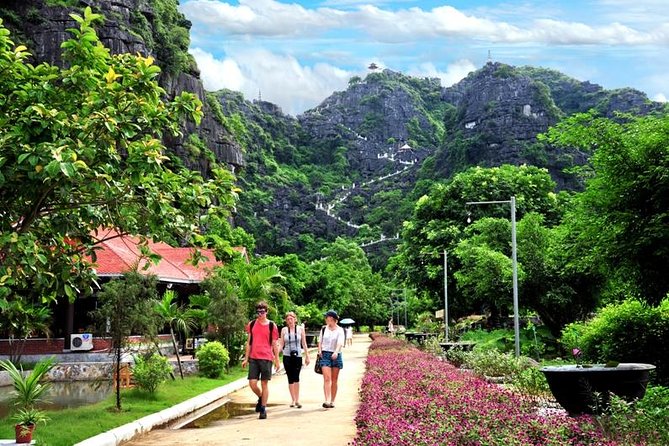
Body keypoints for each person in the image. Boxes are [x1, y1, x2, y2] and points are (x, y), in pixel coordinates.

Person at [241, 301, 280, 419]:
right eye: (258, 312)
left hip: (267, 357)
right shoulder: (252, 324)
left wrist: (277, 360)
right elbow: (249, 343)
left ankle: (263, 408)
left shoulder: (272, 326)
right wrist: (246, 358)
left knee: (264, 383)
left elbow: (274, 344)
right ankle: (261, 397)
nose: (260, 314)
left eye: (262, 312)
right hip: (254, 357)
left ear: (266, 312)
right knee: (252, 383)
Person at [278, 311, 310, 408]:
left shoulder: (300, 329)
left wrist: (307, 355)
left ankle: (297, 399)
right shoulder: (284, 330)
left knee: (296, 377)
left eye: (291, 319)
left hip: (298, 355)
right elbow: (281, 344)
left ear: (295, 319)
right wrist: (275, 355)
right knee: (290, 377)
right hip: (287, 355)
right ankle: (292, 400)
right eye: (288, 319)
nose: (290, 321)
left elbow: (304, 343)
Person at [318, 309, 345, 409]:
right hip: (325, 354)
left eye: (328, 318)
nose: (326, 319)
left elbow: (340, 342)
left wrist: (336, 351)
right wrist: (319, 350)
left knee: (334, 379)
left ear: (333, 319)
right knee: (326, 378)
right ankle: (327, 400)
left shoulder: (340, 330)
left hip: (336, 355)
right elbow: (320, 341)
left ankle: (333, 400)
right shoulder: (324, 329)